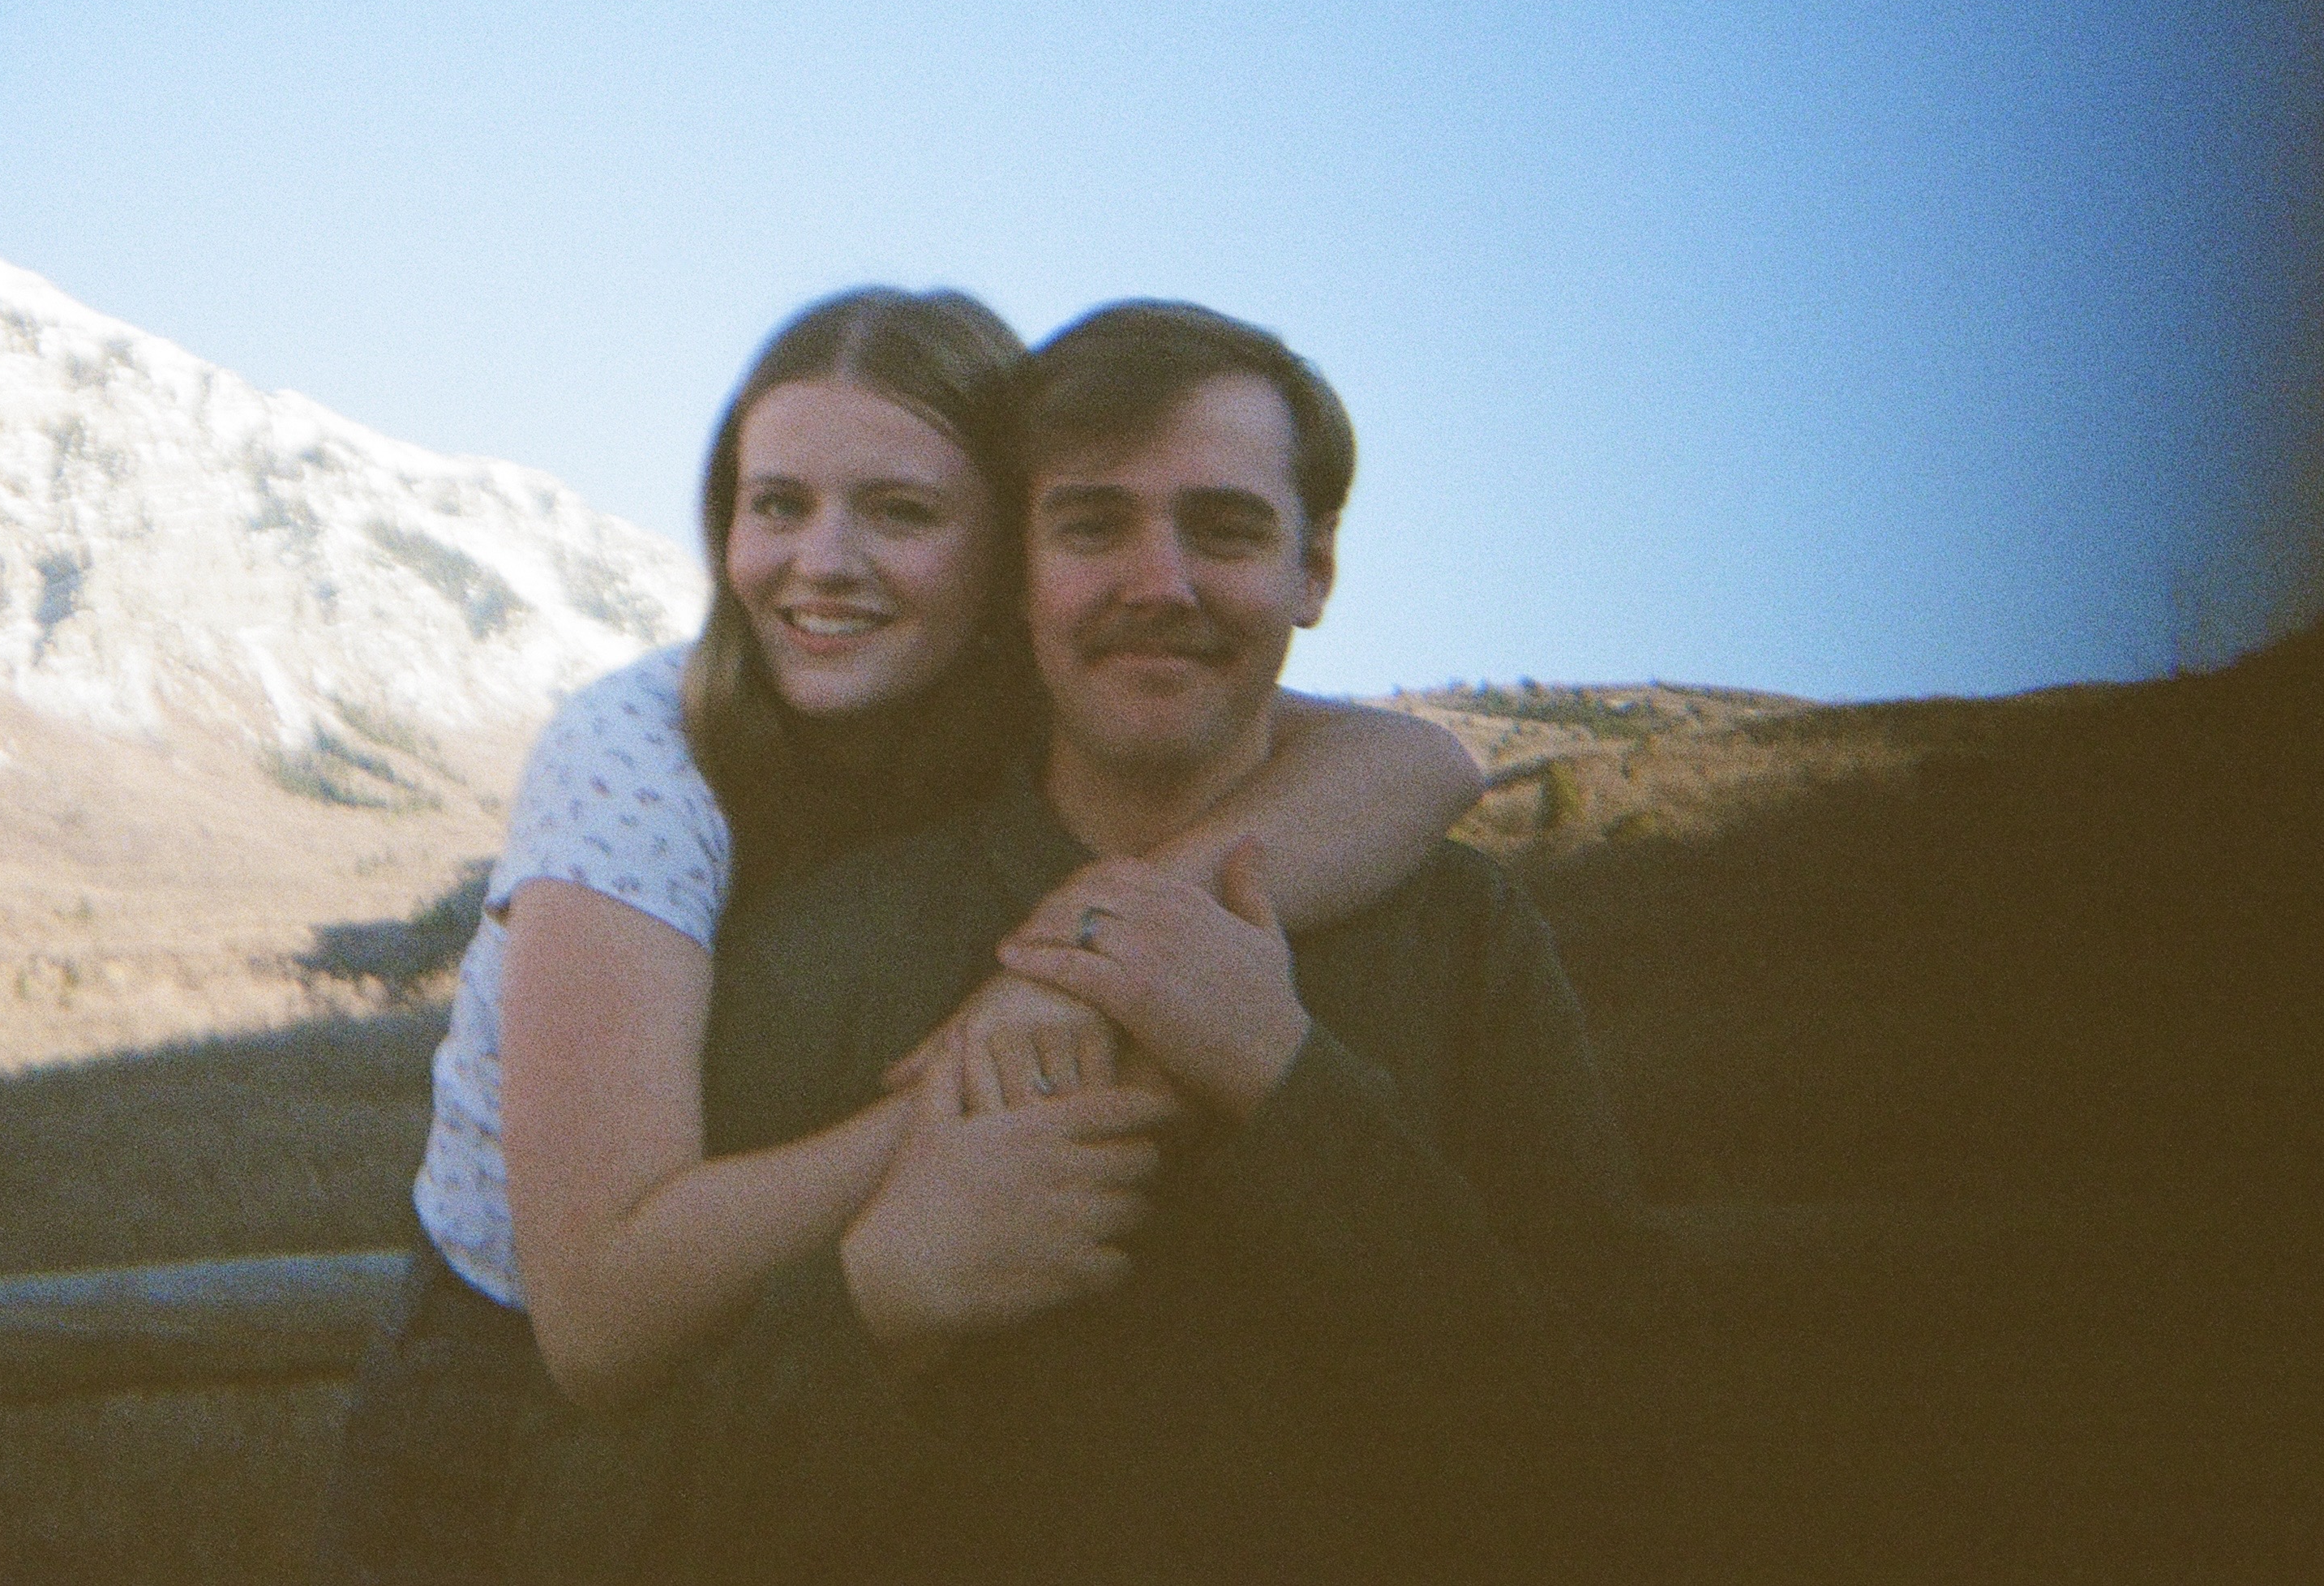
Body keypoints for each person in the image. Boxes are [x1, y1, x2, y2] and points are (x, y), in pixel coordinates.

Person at [316, 288, 1486, 1586]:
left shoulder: (1022, 697)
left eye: (902, 510)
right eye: (778, 504)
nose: (824, 558)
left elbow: (1415, 762)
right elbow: (599, 1310)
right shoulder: (637, 762)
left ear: (1005, 553)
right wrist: (989, 1077)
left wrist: (1103, 952)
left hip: (786, 1378)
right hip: (504, 1389)